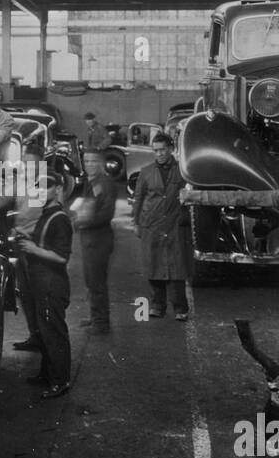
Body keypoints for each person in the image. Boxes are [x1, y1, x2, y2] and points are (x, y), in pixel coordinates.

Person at [16, 171, 73, 398]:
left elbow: (62, 257)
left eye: (45, 188)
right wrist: (28, 238)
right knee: (44, 330)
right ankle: (47, 374)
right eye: (37, 188)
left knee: (54, 333)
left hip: (51, 284)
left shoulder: (60, 219)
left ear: (57, 189)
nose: (39, 192)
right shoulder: (46, 214)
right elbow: (45, 243)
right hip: (41, 282)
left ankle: (61, 381)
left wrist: (33, 249)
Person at [131, 131, 193, 320]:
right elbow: (139, 198)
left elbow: (191, 194)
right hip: (152, 224)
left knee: (177, 267)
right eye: (156, 150)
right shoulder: (146, 172)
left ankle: (180, 309)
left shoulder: (183, 171)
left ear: (171, 149)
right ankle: (157, 306)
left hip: (175, 224)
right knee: (153, 265)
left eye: (163, 149)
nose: (159, 154)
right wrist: (135, 222)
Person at [72, 148, 117, 332]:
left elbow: (106, 213)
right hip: (90, 239)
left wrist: (82, 222)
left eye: (93, 161)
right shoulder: (91, 182)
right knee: (91, 280)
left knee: (96, 281)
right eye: (86, 161)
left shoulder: (104, 183)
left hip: (98, 239)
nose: (89, 165)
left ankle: (101, 322)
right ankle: (95, 316)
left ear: (100, 163)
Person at [11, 142, 47, 352]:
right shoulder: (21, 181)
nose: (27, 167)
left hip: (37, 246)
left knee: (39, 294)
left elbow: (43, 216)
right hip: (20, 243)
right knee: (25, 293)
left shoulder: (45, 184)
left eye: (32, 164)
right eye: (25, 163)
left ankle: (44, 337)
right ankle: (35, 335)